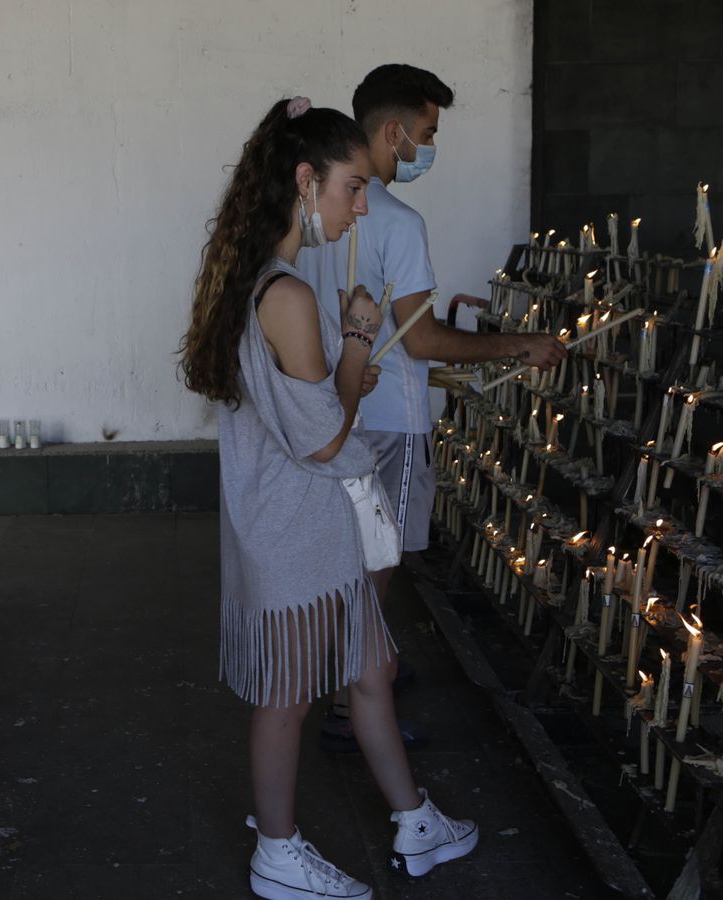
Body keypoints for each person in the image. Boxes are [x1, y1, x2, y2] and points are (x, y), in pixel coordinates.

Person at [180, 96, 476, 899]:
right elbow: (324, 439)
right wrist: (354, 346)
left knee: (371, 668)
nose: (361, 203)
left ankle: (415, 820)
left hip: (284, 519)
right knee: (287, 697)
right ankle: (277, 850)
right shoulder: (287, 296)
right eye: (350, 186)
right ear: (306, 181)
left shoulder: (252, 276)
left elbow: (303, 414)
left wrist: (344, 356)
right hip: (299, 526)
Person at [296, 64, 567, 753]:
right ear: (393, 131)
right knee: (374, 569)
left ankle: (363, 672)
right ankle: (350, 701)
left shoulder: (309, 216)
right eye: (426, 133)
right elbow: (420, 340)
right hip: (389, 422)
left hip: (334, 413)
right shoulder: (396, 220)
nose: (425, 147)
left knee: (349, 558)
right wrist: (520, 345)